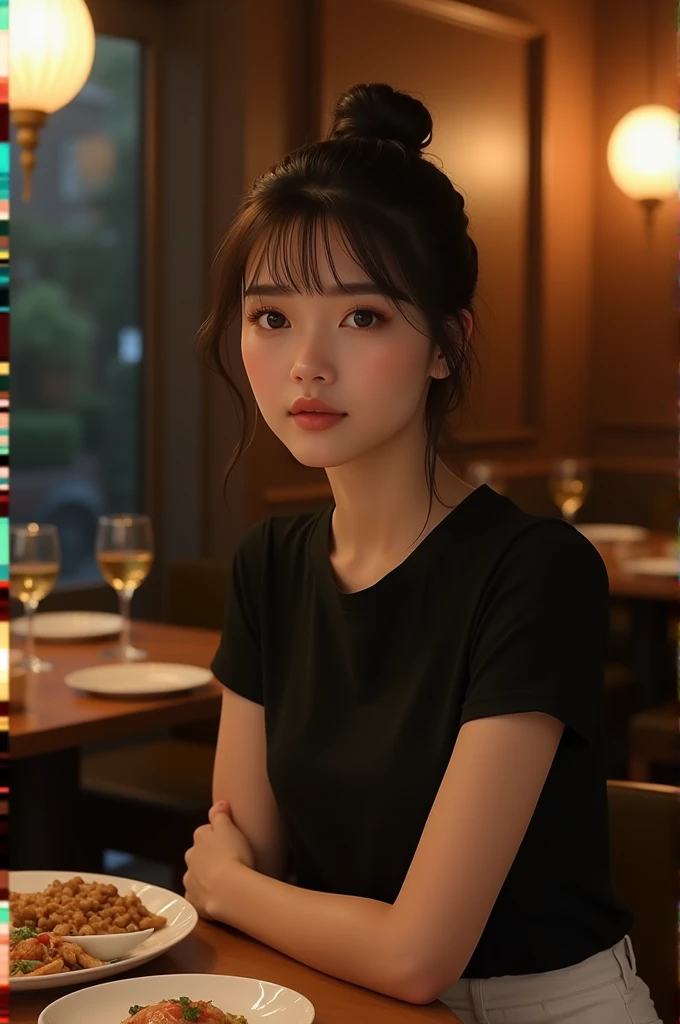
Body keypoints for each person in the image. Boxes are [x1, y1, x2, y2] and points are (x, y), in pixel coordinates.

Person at [183, 83, 661, 1024]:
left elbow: (412, 951)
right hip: (327, 994)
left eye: (362, 317)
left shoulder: (537, 569)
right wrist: (241, 886)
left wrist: (232, 890)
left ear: (447, 342)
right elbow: (258, 856)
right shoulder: (268, 564)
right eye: (271, 317)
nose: (306, 364)